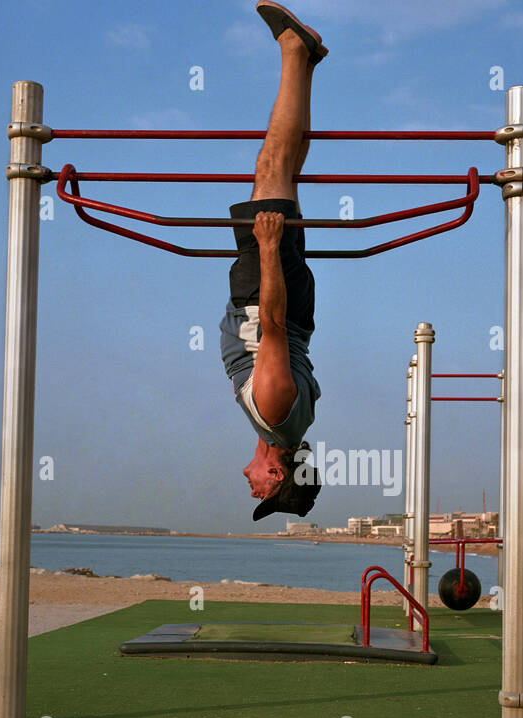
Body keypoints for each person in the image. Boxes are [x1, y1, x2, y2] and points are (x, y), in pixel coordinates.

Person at [219, 3, 325, 522]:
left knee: (286, 171)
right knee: (270, 166)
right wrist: (265, 248)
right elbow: (275, 328)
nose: (251, 487)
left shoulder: (290, 425)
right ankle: (293, 50)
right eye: (263, 492)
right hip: (268, 293)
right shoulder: (276, 414)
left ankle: (304, 63)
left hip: (286, 298)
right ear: (278, 473)